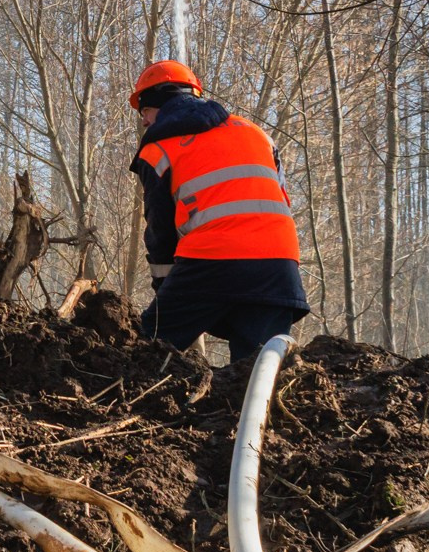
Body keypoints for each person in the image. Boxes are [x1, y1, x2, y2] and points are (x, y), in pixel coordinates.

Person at [128, 60, 309, 363]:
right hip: (279, 267)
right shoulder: (257, 134)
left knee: (144, 352)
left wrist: (166, 288)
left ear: (157, 104)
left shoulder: (157, 150)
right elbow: (280, 197)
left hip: (210, 262)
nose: (145, 122)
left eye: (143, 111)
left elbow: (159, 233)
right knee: (255, 375)